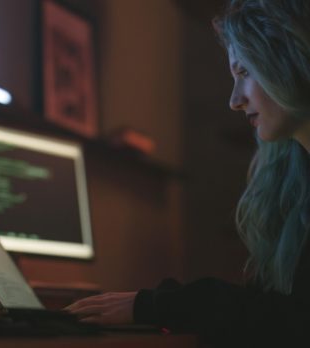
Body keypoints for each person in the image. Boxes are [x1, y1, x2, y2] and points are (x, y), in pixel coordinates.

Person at [65, 0, 310, 346]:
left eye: (244, 73)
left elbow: (296, 323)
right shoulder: (294, 178)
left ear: (289, 60)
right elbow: (273, 312)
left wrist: (159, 306)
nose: (235, 100)